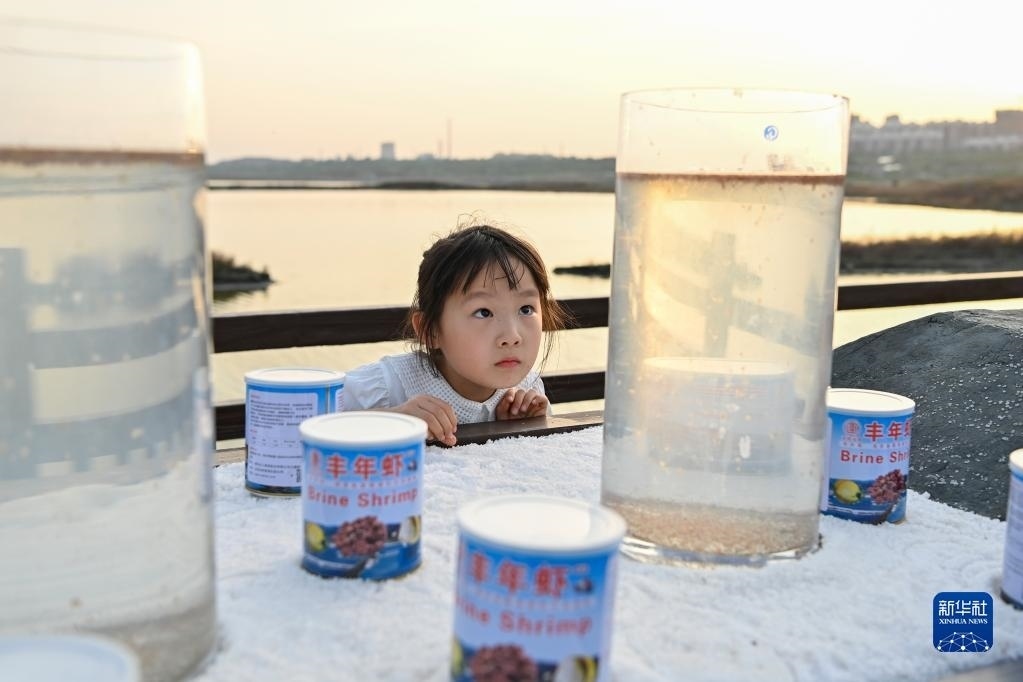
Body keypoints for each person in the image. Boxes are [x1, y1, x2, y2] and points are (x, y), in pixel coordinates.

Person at [340, 224, 571, 445]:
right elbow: (317, 417)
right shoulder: (391, 384)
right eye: (483, 312)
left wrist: (523, 427)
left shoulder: (527, 390)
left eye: (526, 309)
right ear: (431, 330)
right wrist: (393, 419)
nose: (512, 336)